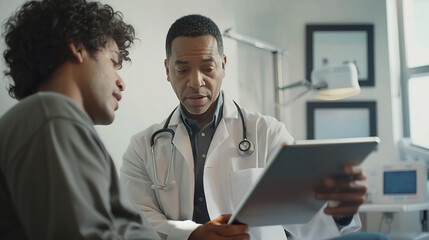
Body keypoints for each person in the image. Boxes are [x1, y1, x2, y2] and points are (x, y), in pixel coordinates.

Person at [120, 14, 387, 240]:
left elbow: (306, 220)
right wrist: (191, 234)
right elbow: (134, 220)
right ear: (167, 70)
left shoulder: (268, 134)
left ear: (223, 66)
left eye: (208, 67)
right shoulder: (143, 147)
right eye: (182, 70)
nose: (196, 81)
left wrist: (339, 210)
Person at [0, 0, 160, 239]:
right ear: (76, 46)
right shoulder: (50, 114)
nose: (121, 82)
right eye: (113, 62)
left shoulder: (44, 120)